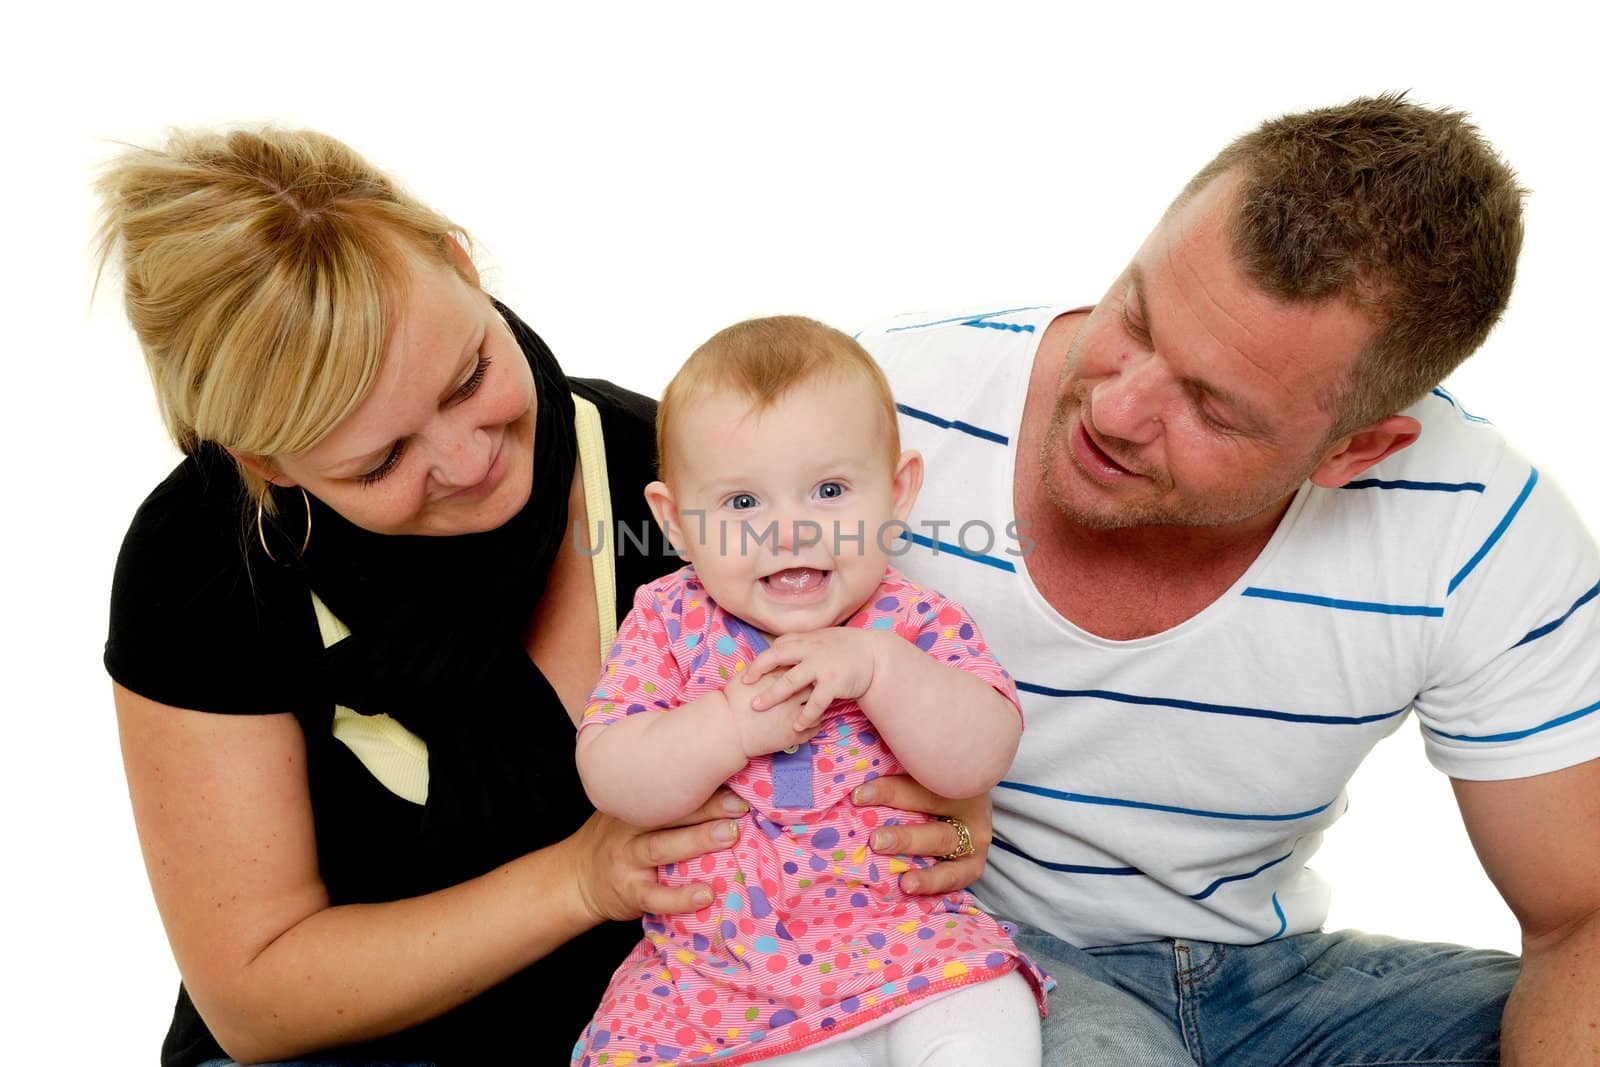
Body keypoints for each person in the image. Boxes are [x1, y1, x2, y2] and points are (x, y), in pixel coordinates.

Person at [94, 130, 982, 1067]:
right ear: (268, 463)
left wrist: (955, 817)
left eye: (470, 374)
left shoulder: (694, 487)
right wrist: (580, 880)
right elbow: (256, 999)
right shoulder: (203, 559)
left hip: (698, 1023)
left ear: (460, 262)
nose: (470, 460)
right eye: (382, 460)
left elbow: (899, 686)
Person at [856, 92, 1600, 1063]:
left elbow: (1575, 915)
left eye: (1210, 405)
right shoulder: (891, 404)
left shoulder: (1478, 527)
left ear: (1354, 448)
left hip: (1273, 981)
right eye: (1138, 316)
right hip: (977, 949)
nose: (1117, 409)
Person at [570, 316, 1050, 1065]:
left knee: (985, 1015)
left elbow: (980, 757)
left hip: (910, 947)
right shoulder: (668, 621)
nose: (789, 530)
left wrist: (882, 671)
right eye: (741, 504)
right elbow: (611, 774)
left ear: (896, 494)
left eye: (828, 489)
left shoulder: (912, 620)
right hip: (724, 972)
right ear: (676, 521)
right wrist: (730, 723)